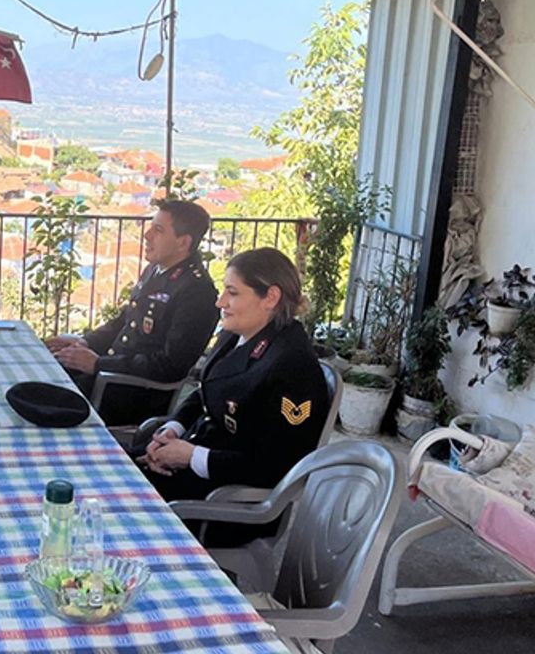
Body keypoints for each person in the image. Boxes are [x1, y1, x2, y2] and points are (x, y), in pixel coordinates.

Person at [143, 247, 329, 545]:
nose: (220, 302)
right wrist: (173, 428)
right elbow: (206, 392)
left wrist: (192, 457)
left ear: (271, 297)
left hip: (228, 504)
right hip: (195, 469)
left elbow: (279, 465)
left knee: (121, 505)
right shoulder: (237, 333)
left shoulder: (292, 365)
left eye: (232, 293)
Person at [46, 200, 219, 425]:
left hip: (130, 393)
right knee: (43, 370)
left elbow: (171, 366)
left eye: (158, 230)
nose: (147, 235)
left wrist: (98, 364)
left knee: (43, 401)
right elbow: (124, 321)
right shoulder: (155, 269)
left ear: (183, 242)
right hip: (108, 376)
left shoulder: (197, 292)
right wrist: (85, 343)